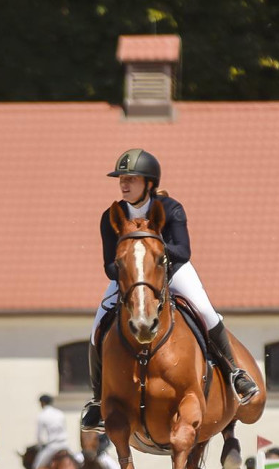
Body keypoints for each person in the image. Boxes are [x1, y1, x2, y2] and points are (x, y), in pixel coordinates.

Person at [81, 148, 259, 432]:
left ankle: (234, 373)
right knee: (97, 326)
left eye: (131, 179)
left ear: (148, 183)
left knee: (204, 311)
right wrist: (133, 270)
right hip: (130, 277)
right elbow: (108, 265)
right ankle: (96, 399)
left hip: (172, 271)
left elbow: (183, 251)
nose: (124, 185)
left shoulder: (170, 208)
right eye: (121, 179)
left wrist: (151, 255)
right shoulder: (110, 216)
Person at [34, 394, 70, 469]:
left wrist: (41, 446)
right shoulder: (60, 413)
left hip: (52, 446)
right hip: (65, 444)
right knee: (78, 462)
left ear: (42, 403)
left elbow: (39, 436)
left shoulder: (42, 415)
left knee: (36, 467)